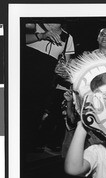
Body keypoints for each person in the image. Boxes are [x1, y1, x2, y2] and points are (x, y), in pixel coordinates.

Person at [21, 22, 75, 153]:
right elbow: (13, 39)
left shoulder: (68, 37)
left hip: (45, 81)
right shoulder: (34, 24)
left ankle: (24, 151)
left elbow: (66, 65)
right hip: (23, 73)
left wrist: (63, 71)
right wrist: (42, 35)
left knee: (34, 116)